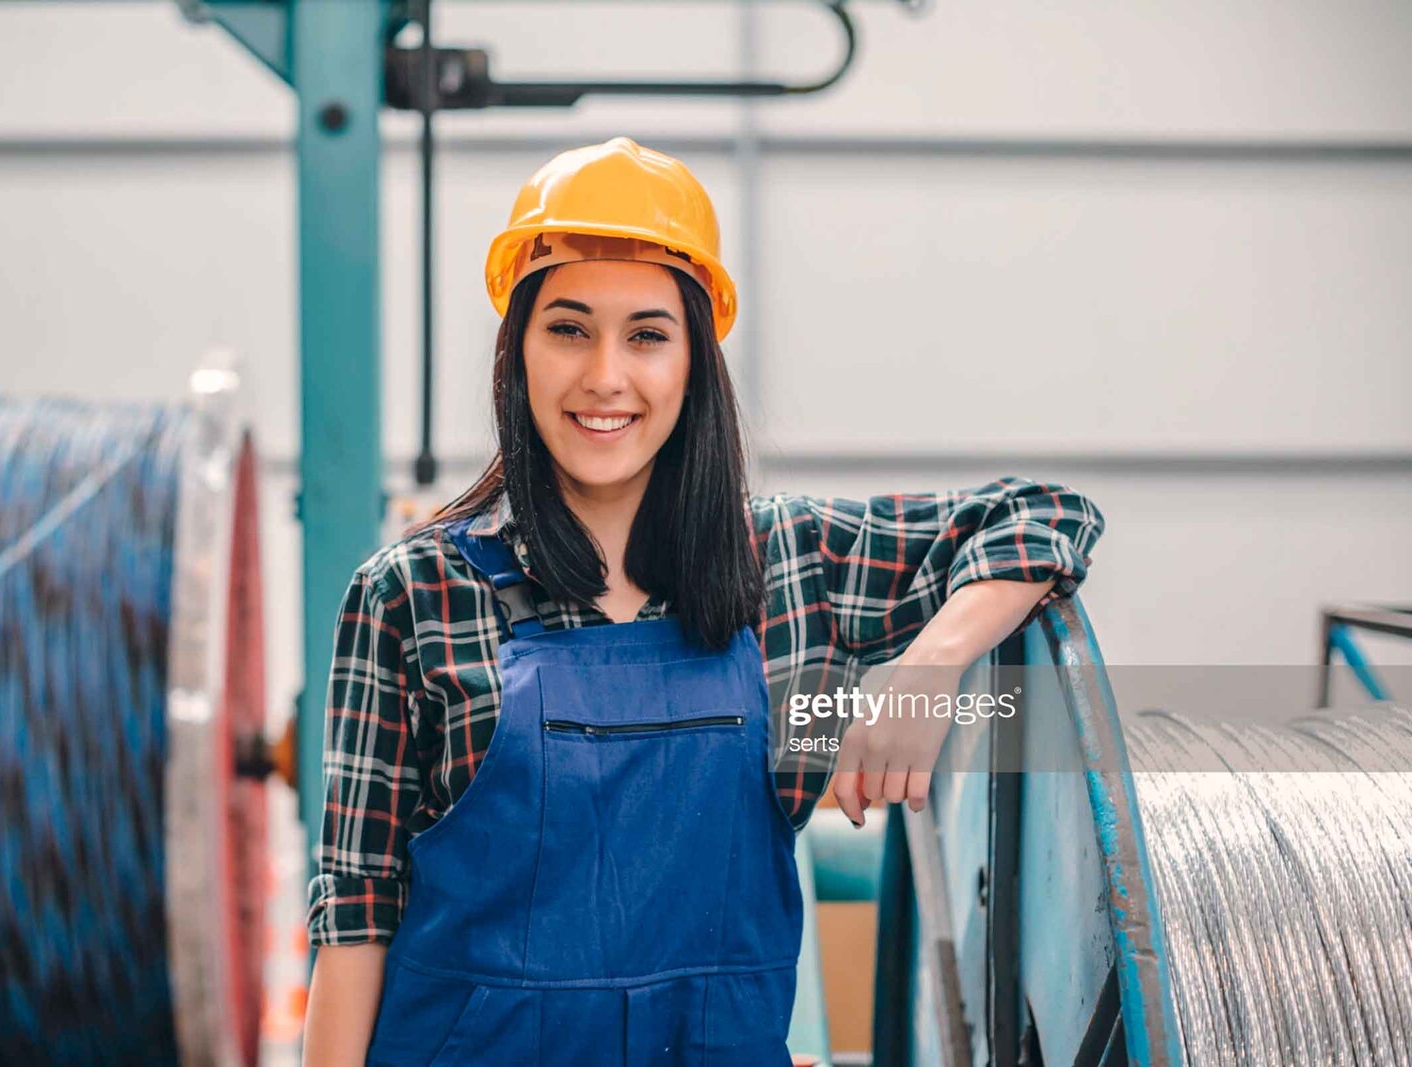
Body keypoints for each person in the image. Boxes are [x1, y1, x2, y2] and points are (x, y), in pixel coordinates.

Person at [301, 136, 1106, 1066]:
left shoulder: (788, 564)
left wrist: (929, 667)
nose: (605, 375)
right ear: (516, 351)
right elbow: (356, 914)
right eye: (568, 328)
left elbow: (1045, 515)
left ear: (694, 362)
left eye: (647, 334)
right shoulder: (411, 594)